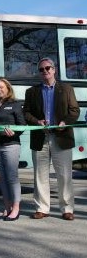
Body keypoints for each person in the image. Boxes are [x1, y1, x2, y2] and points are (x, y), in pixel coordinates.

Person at [24, 58, 79, 221]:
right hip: (40, 138)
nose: (45, 71)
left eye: (48, 68)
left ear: (54, 70)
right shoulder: (31, 92)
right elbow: (26, 113)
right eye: (41, 69)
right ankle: (42, 208)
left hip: (61, 137)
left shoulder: (67, 89)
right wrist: (37, 121)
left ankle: (67, 209)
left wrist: (64, 122)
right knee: (40, 175)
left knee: (64, 175)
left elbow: (74, 111)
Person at [0, 78, 26, 221]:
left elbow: (22, 125)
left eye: (1, 87)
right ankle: (7, 207)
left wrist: (15, 132)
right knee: (2, 178)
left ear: (8, 89)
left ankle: (16, 208)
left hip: (11, 145)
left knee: (12, 177)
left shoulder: (14, 105)